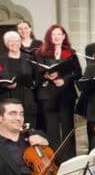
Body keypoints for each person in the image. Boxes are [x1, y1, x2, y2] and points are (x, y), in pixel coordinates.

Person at [33, 24, 82, 162]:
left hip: (66, 93)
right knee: (51, 128)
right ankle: (53, 160)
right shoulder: (40, 53)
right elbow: (36, 72)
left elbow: (78, 73)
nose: (56, 37)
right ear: (49, 37)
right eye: (53, 34)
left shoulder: (70, 52)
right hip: (48, 94)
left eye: (59, 34)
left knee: (68, 128)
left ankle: (70, 159)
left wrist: (64, 80)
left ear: (64, 36)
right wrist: (47, 76)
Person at [0, 31, 37, 125]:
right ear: (6, 44)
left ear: (20, 42)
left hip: (27, 98)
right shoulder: (0, 60)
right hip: (8, 97)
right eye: (10, 41)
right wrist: (6, 85)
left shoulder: (29, 58)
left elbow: (36, 76)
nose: (14, 43)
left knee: (28, 127)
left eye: (16, 41)